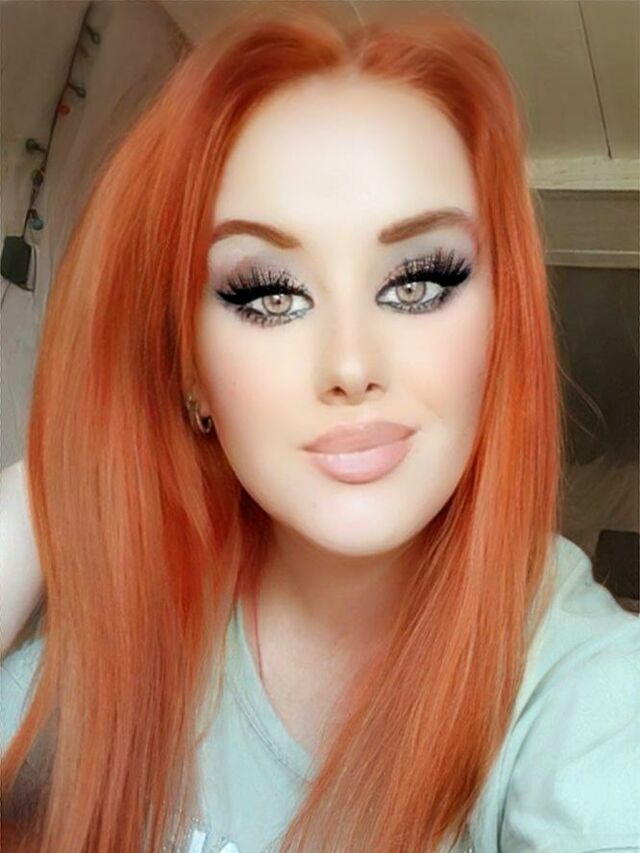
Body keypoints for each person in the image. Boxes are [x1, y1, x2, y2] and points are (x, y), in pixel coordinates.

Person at [1, 8, 638, 853]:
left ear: (499, 329)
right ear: (191, 370)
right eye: (270, 293)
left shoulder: (583, 690)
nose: (350, 362)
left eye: (418, 282)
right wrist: (60, 474)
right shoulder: (142, 610)